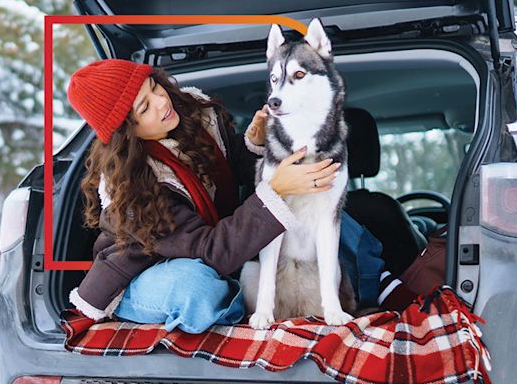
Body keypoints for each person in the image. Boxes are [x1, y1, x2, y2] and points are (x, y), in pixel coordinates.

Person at [66, 57, 377, 332]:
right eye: (145, 107)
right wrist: (277, 190)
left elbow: (236, 170)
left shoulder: (196, 118)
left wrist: (253, 146)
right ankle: (242, 309)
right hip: (148, 271)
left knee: (314, 203)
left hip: (215, 250)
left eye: (154, 88)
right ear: (127, 131)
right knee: (197, 286)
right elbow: (210, 250)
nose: (162, 103)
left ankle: (376, 282)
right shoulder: (136, 189)